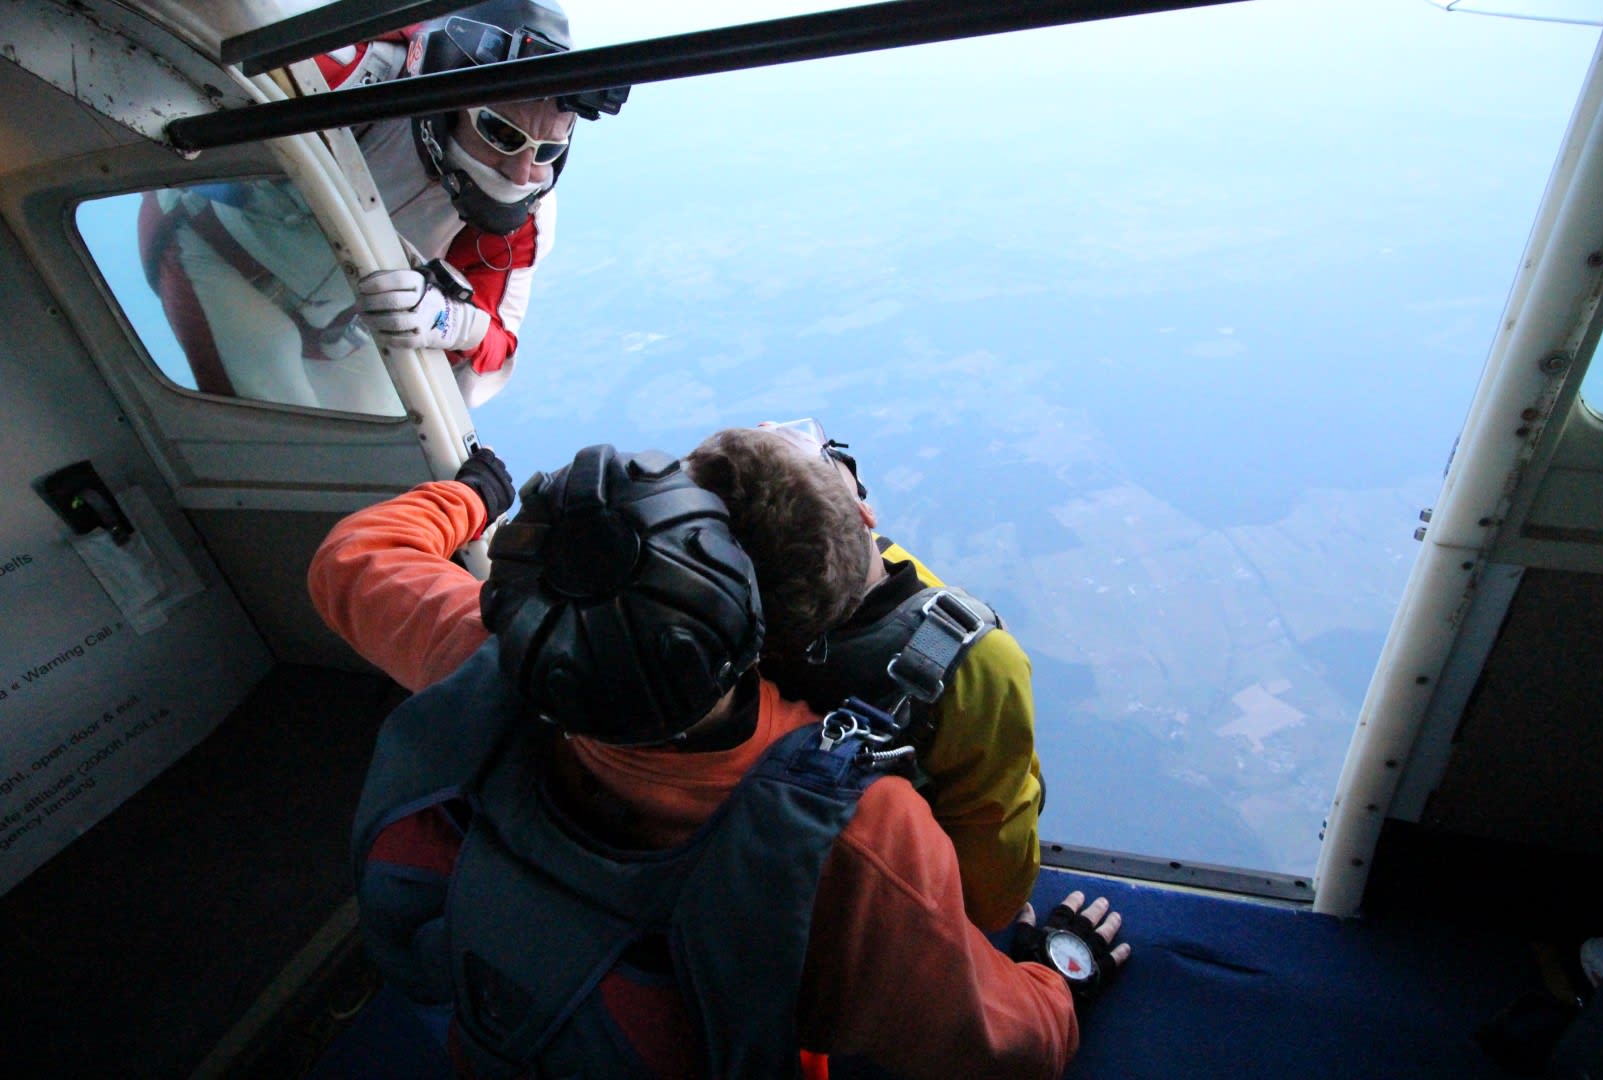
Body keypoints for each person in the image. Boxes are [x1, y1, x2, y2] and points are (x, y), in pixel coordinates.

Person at [308, 444, 1130, 1078]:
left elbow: (349, 559)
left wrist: (473, 493)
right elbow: (993, 1052)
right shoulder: (856, 835)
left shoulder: (477, 656)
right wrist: (1060, 981)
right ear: (755, 621)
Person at [140, 0, 624, 411]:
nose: (520, 172)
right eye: (500, 133)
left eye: (548, 152)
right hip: (209, 252)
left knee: (401, 459)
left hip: (337, 330)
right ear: (445, 94)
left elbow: (496, 341)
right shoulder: (353, 73)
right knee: (282, 417)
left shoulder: (528, 214)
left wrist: (449, 320)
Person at [685, 420, 1045, 932]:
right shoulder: (979, 665)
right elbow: (988, 898)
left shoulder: (712, 631)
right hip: (899, 898)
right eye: (825, 453)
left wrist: (779, 473)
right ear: (864, 512)